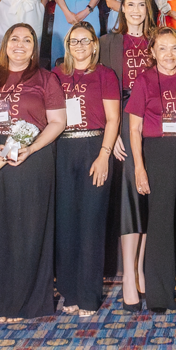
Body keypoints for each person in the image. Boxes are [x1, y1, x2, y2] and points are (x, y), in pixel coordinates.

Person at [0, 24, 66, 321]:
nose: (20, 44)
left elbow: (57, 122)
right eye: (15, 38)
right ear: (5, 44)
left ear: (35, 47)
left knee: (27, 232)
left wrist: (30, 149)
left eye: (27, 40)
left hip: (32, 157)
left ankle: (24, 304)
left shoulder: (47, 78)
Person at [126, 27, 176, 313]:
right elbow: (134, 129)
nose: (169, 54)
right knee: (160, 225)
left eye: (174, 48)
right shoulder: (143, 81)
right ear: (153, 52)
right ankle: (160, 296)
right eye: (162, 48)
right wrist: (139, 168)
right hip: (158, 153)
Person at [53, 24, 122, 315]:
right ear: (67, 45)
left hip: (94, 148)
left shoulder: (105, 74)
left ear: (95, 45)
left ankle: (89, 296)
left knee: (91, 224)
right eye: (74, 40)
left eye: (86, 40)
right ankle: (69, 292)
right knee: (66, 224)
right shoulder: (55, 75)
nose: (80, 45)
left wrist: (104, 155)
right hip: (61, 150)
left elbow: (113, 119)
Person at [99, 0, 158, 308]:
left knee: (149, 198)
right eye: (130, 5)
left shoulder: (159, 40)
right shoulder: (108, 44)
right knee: (129, 199)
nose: (136, 10)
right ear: (121, 9)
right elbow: (101, 90)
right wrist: (116, 129)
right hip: (122, 120)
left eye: (141, 5)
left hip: (155, 122)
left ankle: (140, 270)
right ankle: (128, 279)